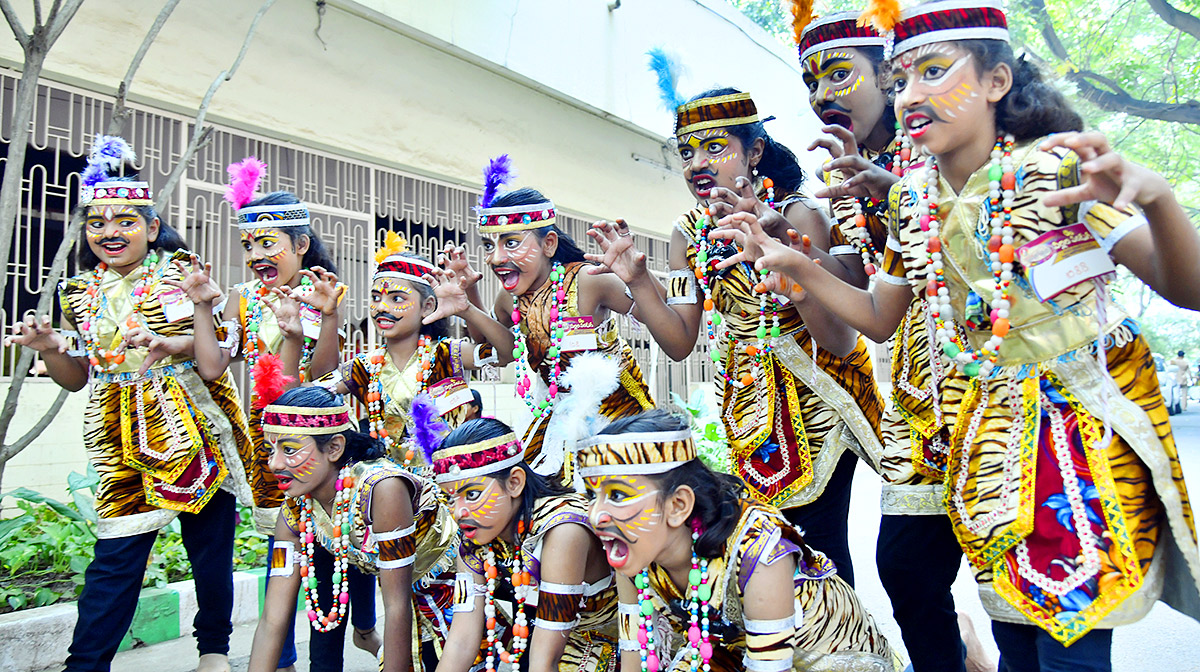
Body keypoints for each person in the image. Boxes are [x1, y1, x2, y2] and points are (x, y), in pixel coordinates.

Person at [714, 0, 1200, 668]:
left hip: (1073, 453)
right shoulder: (913, 200)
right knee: (1010, 638)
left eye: (935, 72)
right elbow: (881, 317)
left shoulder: (1055, 172)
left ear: (997, 82)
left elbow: (1189, 290)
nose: (911, 95)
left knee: (1069, 647)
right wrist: (797, 266)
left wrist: (1158, 201)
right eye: (903, 80)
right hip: (977, 444)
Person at [585, 73, 882, 585]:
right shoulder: (689, 232)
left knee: (816, 550)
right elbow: (679, 341)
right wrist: (639, 281)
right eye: (686, 152)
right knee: (765, 550)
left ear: (755, 151)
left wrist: (779, 244)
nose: (697, 164)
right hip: (744, 403)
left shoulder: (799, 214)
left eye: (714, 147)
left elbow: (840, 336)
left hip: (816, 395)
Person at [5, 137, 258, 672]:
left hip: (190, 424)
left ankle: (212, 649)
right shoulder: (77, 292)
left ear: (149, 225)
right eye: (96, 223)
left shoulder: (183, 272)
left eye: (124, 221)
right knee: (115, 557)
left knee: (209, 548)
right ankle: (86, 665)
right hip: (117, 431)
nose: (109, 233)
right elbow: (77, 379)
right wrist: (50, 349)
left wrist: (197, 315)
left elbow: (217, 360)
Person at [792, 6, 984, 670]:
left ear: (886, 75)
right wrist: (795, 260)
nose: (823, 96)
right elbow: (868, 310)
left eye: (840, 74)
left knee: (1020, 585)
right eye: (812, 81)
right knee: (904, 569)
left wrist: (886, 193)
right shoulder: (845, 181)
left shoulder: (949, 148)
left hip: (998, 390)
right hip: (916, 395)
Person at [175, 157, 366, 669]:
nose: (257, 255)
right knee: (280, 552)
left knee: (327, 555)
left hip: (320, 442)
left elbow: (322, 374)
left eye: (268, 243)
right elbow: (214, 366)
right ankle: (278, 658)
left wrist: (312, 324)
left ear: (300, 245)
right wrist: (200, 307)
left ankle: (344, 638)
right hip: (270, 442)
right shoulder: (241, 300)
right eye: (249, 245)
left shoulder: (321, 292)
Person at [578, 409, 898, 671]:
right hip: (733, 655)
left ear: (678, 506)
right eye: (593, 495)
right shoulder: (632, 549)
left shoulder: (762, 553)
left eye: (617, 495)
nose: (596, 516)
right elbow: (634, 652)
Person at [457, 155, 655, 482]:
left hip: (615, 413)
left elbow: (658, 316)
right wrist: (467, 301)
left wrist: (640, 277)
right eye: (489, 246)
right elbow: (488, 349)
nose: (495, 258)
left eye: (510, 243)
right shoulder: (508, 298)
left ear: (548, 244)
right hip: (551, 414)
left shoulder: (589, 281)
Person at [247, 380, 457, 672]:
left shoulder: (382, 490)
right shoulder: (294, 510)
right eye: (272, 450)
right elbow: (272, 617)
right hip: (408, 603)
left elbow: (395, 606)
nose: (274, 464)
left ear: (334, 448)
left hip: (454, 596)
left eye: (290, 450)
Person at [428, 413, 619, 672]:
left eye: (471, 494)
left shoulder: (562, 530)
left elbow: (545, 660)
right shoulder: (476, 535)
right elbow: (461, 641)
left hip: (609, 650)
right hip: (541, 642)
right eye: (450, 498)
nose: (459, 511)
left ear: (515, 483)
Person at [318, 231, 509, 468]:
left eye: (397, 299)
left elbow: (507, 353)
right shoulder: (365, 365)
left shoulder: (447, 354)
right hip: (386, 488)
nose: (382, 307)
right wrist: (329, 317)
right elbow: (319, 387)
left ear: (427, 306)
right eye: (376, 297)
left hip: (448, 482)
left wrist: (466, 308)